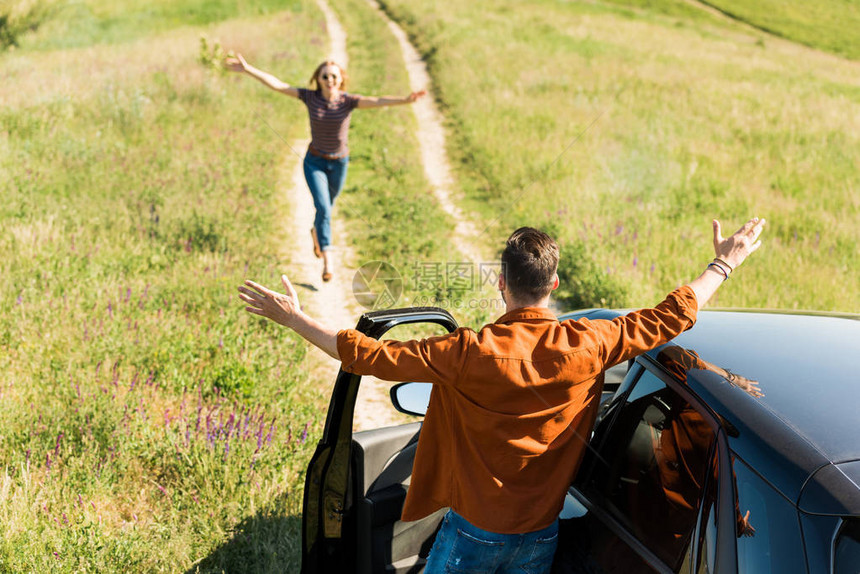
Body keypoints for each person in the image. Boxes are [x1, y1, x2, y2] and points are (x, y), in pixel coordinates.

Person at [238, 217, 766, 573]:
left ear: (501, 283)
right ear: (554, 284)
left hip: (473, 535)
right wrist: (725, 263)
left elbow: (365, 355)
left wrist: (293, 316)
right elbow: (673, 315)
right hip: (542, 535)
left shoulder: (467, 352)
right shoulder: (593, 342)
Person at [224, 54, 426, 282]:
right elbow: (279, 85)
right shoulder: (310, 97)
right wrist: (248, 69)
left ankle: (316, 232)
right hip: (314, 162)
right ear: (318, 80)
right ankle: (328, 261)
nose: (329, 80)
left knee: (326, 209)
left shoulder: (348, 101)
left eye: (334, 76)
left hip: (340, 162)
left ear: (341, 80)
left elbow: (378, 100)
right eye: (325, 76)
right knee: (324, 208)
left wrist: (405, 100)